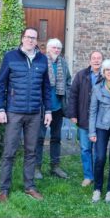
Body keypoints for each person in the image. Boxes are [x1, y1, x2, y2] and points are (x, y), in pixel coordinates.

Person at [0, 27, 52, 203]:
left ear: (37, 41)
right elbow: (0, 84)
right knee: (9, 151)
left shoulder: (42, 59)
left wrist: (48, 111)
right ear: (22, 38)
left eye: (34, 38)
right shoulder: (10, 56)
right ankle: (4, 189)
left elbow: (46, 87)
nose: (30, 40)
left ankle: (29, 186)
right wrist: (0, 109)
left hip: (35, 113)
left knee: (31, 150)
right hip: (14, 112)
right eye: (28, 37)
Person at [35, 38, 71, 180]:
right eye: (54, 47)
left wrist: (66, 95)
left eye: (59, 48)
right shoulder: (41, 61)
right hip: (43, 107)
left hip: (58, 107)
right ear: (48, 48)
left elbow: (68, 80)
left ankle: (55, 166)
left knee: (56, 137)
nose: (56, 50)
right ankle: (36, 167)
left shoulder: (63, 63)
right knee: (39, 137)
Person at [67, 51, 104, 187]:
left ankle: (97, 174)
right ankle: (88, 176)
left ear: (102, 61)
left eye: (99, 58)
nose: (96, 60)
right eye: (93, 58)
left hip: (100, 120)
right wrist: (73, 114)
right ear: (89, 61)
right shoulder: (81, 75)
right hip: (83, 118)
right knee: (85, 149)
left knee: (98, 151)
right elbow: (73, 95)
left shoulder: (106, 75)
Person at [89, 59, 110, 203]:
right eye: (106, 70)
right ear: (103, 73)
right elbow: (92, 111)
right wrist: (92, 132)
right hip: (101, 127)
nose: (109, 72)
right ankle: (97, 189)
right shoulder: (98, 88)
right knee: (100, 158)